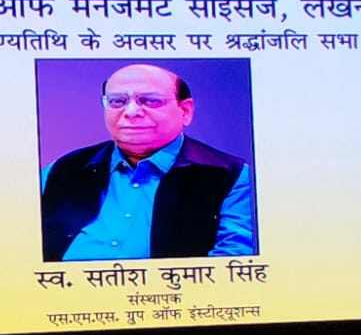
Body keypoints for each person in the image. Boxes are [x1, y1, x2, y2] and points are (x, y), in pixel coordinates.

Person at [40, 64, 256, 261]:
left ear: (185, 111)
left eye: (151, 101)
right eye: (117, 101)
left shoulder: (230, 175)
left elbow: (232, 263)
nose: (131, 112)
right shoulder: (61, 170)